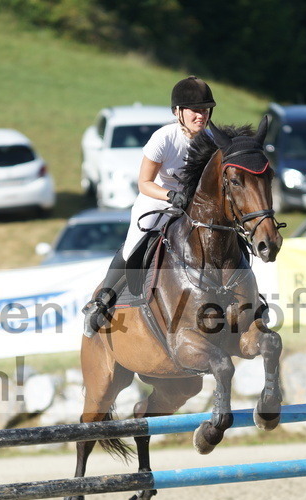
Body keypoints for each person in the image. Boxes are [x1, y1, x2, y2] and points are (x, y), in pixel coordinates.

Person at [82, 75, 216, 338]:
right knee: (134, 244)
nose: (201, 116)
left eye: (205, 110)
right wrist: (171, 196)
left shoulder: (211, 140)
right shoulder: (163, 138)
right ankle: (100, 302)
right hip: (157, 201)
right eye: (195, 110)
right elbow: (144, 183)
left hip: (192, 207)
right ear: (178, 112)